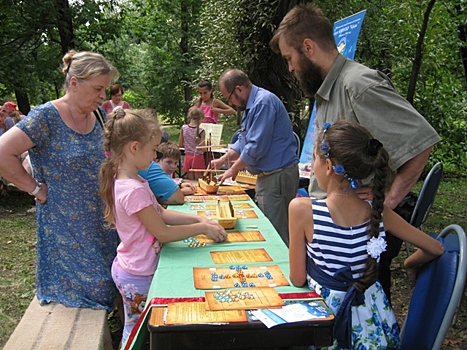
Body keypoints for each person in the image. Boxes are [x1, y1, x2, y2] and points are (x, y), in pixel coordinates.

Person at [270, 3, 441, 301]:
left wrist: (384, 204)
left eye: (289, 58)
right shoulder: (326, 89)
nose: (290, 67)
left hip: (361, 245)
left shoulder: (358, 85)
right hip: (329, 245)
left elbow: (419, 143)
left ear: (307, 47)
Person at [288, 121, 444, 349]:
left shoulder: (302, 209)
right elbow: (437, 248)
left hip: (325, 322)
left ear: (328, 165)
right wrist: (410, 263)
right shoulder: (379, 213)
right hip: (374, 323)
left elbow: (298, 279)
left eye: (315, 159)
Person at [0, 50, 120, 311]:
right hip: (65, 226)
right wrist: (33, 188)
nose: (103, 95)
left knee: (114, 280)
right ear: (74, 83)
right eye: (98, 88)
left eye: (105, 89)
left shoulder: (99, 115)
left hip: (102, 221)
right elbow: (2, 152)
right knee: (96, 287)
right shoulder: (46, 117)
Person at [99, 107, 227, 344]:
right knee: (136, 331)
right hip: (137, 273)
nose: (154, 155)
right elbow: (163, 232)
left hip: (135, 267)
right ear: (134, 147)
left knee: (138, 327)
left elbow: (162, 213)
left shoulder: (135, 179)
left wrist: (199, 219)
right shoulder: (133, 189)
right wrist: (202, 229)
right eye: (152, 149)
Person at [210, 69, 299, 245]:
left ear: (239, 89)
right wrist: (223, 160)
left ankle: (285, 270)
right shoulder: (252, 106)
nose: (231, 104)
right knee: (271, 229)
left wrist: (234, 169)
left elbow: (255, 147)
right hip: (270, 176)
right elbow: (243, 142)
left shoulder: (262, 103)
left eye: (229, 98)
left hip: (277, 176)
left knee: (276, 234)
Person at [179, 106, 206, 180]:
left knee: (190, 180)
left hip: (188, 156)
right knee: (198, 180)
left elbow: (180, 144)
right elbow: (203, 149)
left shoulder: (183, 128)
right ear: (201, 118)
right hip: (198, 157)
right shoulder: (201, 131)